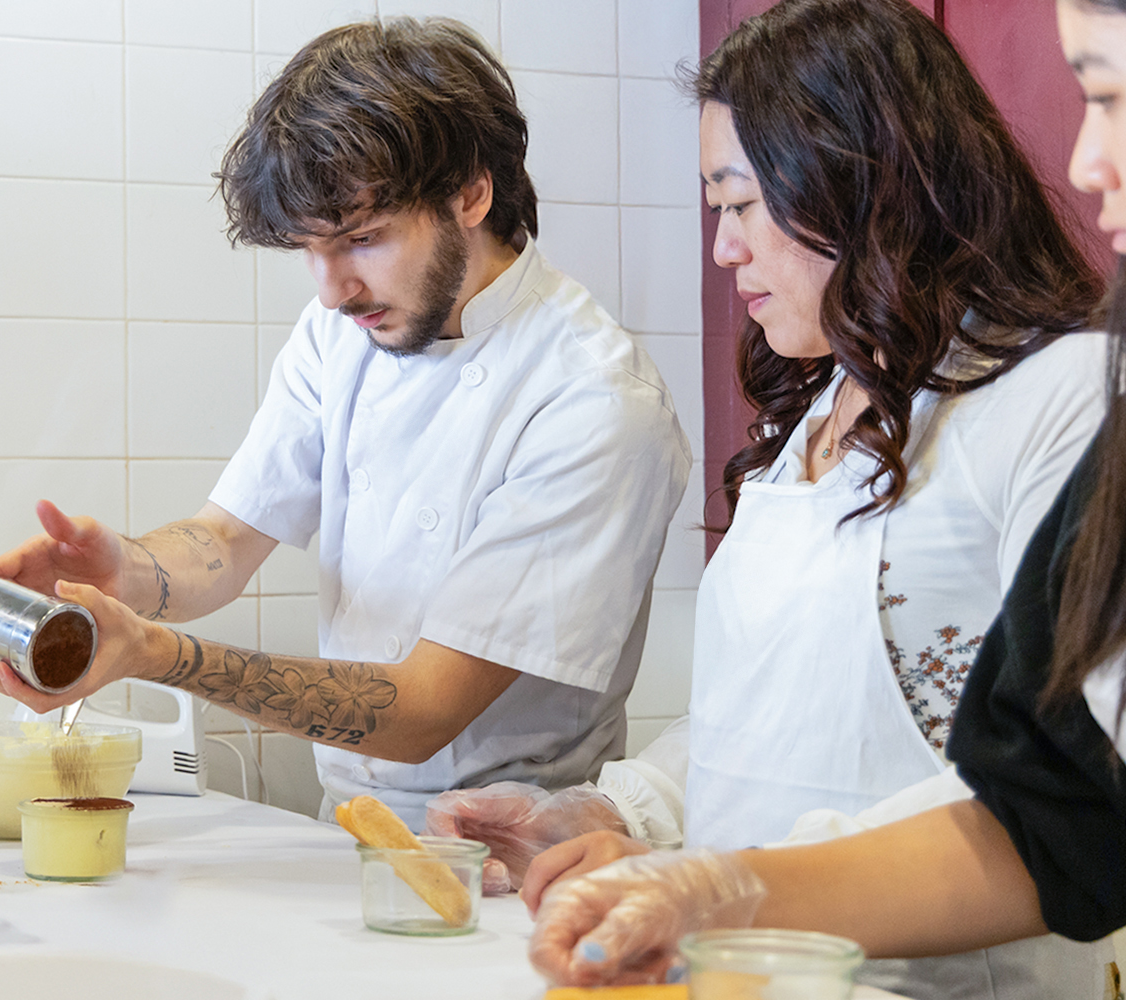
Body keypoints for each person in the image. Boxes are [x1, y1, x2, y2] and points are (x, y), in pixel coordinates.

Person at [428, 1, 1116, 996]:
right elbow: (757, 716)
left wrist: (727, 885)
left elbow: (1066, 801)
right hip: (752, 970)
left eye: (739, 203)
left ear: (861, 185)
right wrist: (620, 810)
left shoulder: (1048, 402)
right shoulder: (814, 417)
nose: (721, 250)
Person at [0, 17, 691, 828]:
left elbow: (426, 710)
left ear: (472, 193)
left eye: (362, 240)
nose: (332, 291)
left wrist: (156, 652)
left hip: (517, 847)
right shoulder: (345, 331)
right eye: (309, 249)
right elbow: (223, 545)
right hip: (347, 825)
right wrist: (128, 571)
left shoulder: (596, 403)